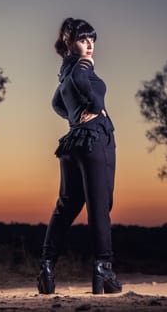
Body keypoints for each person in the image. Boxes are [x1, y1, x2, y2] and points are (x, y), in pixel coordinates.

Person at [38, 18, 122, 295]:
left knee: (65, 207)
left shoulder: (65, 69)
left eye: (92, 39)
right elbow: (80, 80)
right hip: (95, 138)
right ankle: (103, 271)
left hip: (74, 140)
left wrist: (74, 118)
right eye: (83, 39)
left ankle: (46, 270)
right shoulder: (82, 66)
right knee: (100, 206)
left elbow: (55, 103)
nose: (89, 45)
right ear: (68, 41)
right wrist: (98, 109)